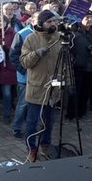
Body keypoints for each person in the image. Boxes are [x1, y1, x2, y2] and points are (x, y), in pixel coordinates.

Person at [19, 10, 61, 162]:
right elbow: (24, 62)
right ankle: (31, 148)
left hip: (54, 88)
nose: (53, 24)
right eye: (49, 22)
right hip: (37, 88)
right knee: (32, 122)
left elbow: (63, 63)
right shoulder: (31, 39)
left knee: (49, 121)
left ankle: (45, 145)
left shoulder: (59, 38)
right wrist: (36, 54)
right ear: (41, 23)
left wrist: (66, 82)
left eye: (54, 21)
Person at [67, 11, 92, 122]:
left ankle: (82, 112)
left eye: (91, 17)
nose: (89, 19)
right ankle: (71, 114)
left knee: (86, 91)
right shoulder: (74, 32)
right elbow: (68, 49)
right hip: (78, 66)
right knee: (75, 91)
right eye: (86, 17)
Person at [9, 12, 38, 138]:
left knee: (36, 104)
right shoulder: (21, 34)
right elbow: (13, 55)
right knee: (23, 103)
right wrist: (23, 70)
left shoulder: (46, 34)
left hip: (39, 76)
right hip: (25, 77)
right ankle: (16, 128)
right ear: (32, 20)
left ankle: (32, 127)